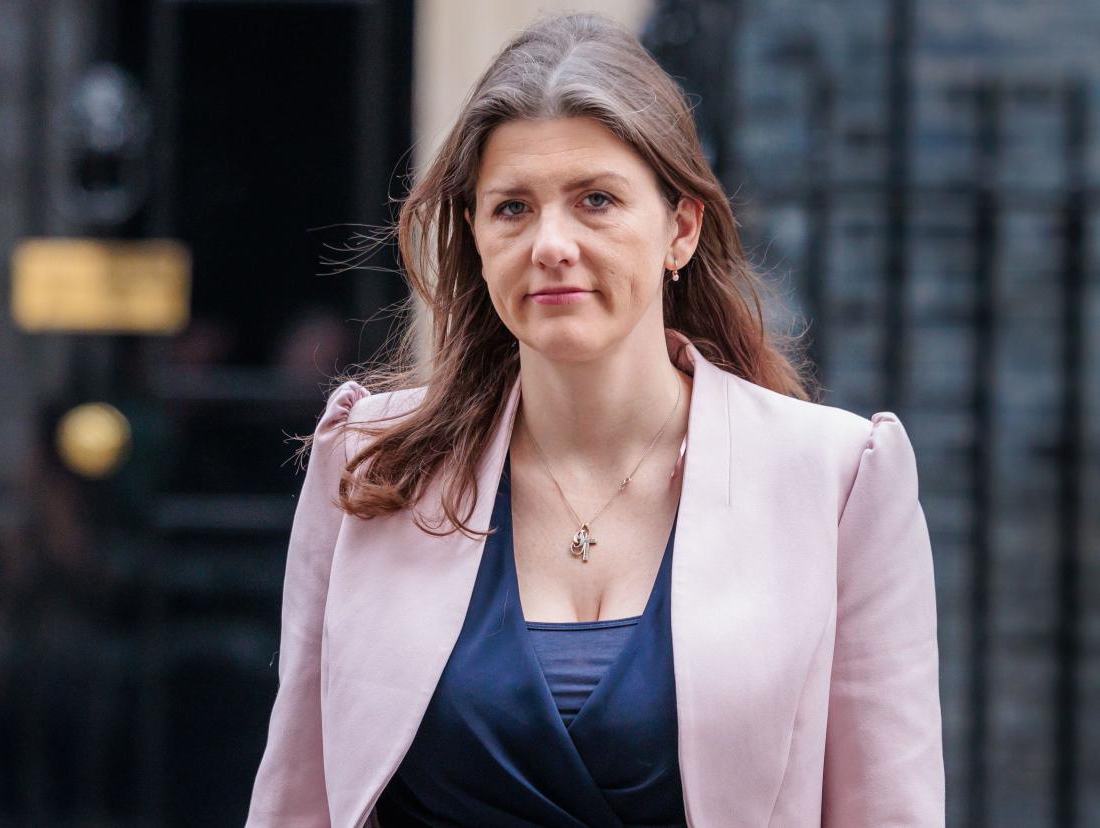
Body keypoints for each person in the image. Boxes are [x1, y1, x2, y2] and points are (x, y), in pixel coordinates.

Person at [246, 11, 945, 828]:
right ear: (473, 233)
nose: (552, 243)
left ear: (679, 229)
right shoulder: (370, 464)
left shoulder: (838, 479)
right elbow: (300, 800)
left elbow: (885, 810)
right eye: (512, 208)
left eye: (597, 200)